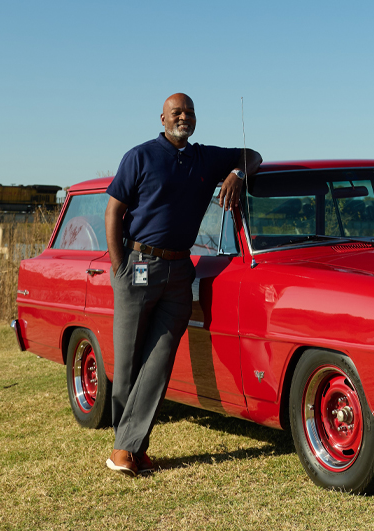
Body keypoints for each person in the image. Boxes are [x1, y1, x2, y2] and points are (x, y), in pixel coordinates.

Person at [103, 93, 262, 477]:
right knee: (127, 363)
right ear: (162, 117)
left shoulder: (204, 158)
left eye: (189, 112)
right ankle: (128, 446)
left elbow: (253, 155)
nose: (183, 117)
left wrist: (237, 174)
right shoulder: (139, 156)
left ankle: (127, 449)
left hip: (179, 273)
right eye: (177, 111)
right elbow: (113, 211)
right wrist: (120, 266)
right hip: (138, 265)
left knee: (159, 361)